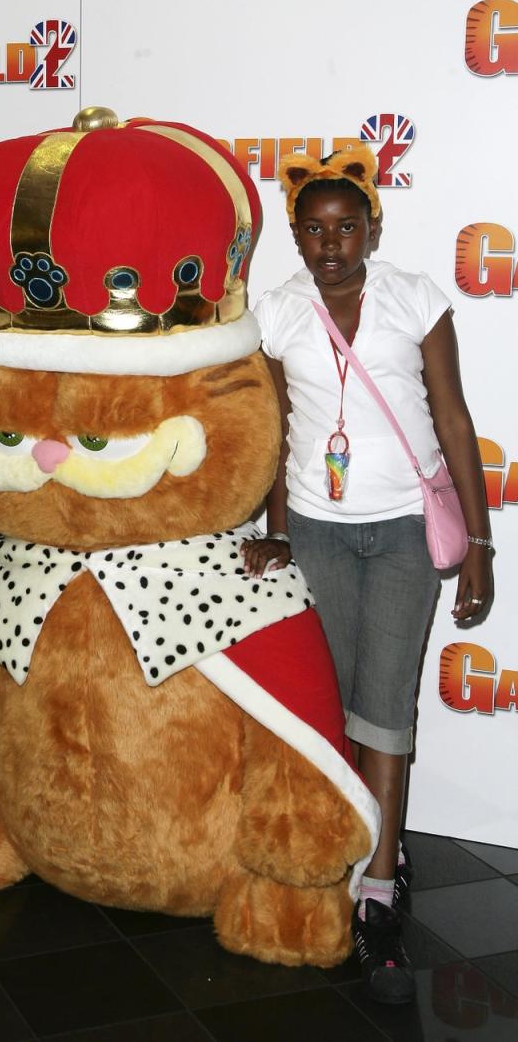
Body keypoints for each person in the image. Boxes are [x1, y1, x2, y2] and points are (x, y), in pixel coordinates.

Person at [242, 145, 493, 1004]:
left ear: (373, 227)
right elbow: (272, 432)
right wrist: (275, 532)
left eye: (347, 227)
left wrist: (483, 547)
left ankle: (379, 888)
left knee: (385, 704)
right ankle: (365, 846)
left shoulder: (417, 300)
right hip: (316, 530)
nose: (331, 244)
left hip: (400, 536)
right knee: (338, 702)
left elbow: (454, 420)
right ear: (296, 235)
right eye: (313, 229)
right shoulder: (274, 314)